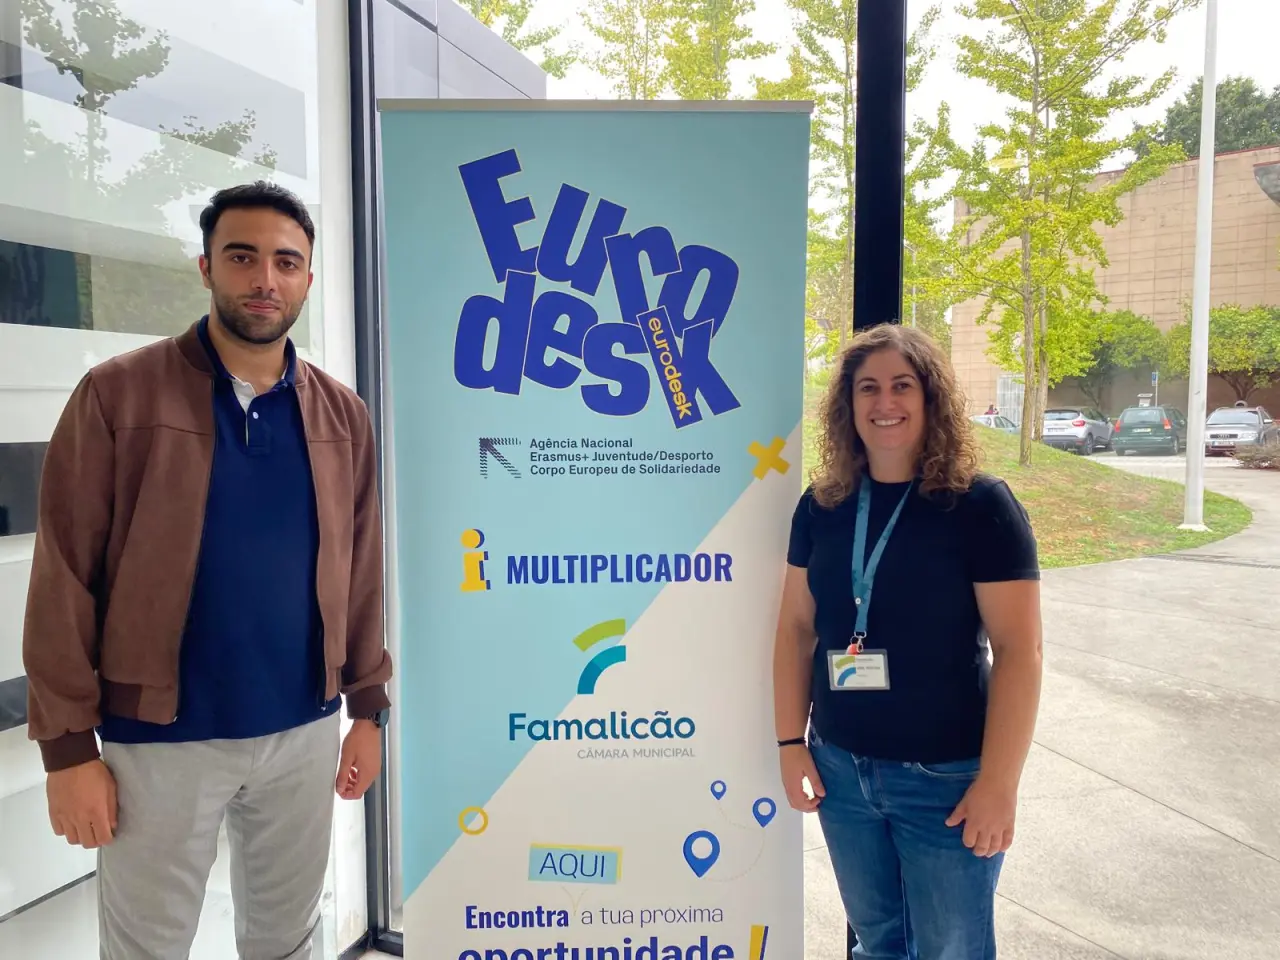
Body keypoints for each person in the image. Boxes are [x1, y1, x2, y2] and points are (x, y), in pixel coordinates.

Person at [22, 181, 393, 960]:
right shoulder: (118, 395)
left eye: (285, 263)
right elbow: (63, 576)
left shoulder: (342, 415)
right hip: (160, 738)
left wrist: (368, 708)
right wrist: (69, 750)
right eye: (242, 257)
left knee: (287, 941)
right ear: (206, 268)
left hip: (302, 730)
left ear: (308, 279)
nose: (265, 280)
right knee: (148, 949)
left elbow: (360, 572)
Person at [773, 323, 1043, 959]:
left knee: (950, 950)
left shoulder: (979, 506)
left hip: (946, 779)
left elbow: (1019, 652)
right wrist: (790, 743)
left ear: (930, 399)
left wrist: (999, 782)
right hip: (841, 769)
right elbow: (796, 628)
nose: (885, 402)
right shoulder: (823, 505)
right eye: (868, 388)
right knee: (877, 945)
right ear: (848, 404)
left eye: (902, 385)